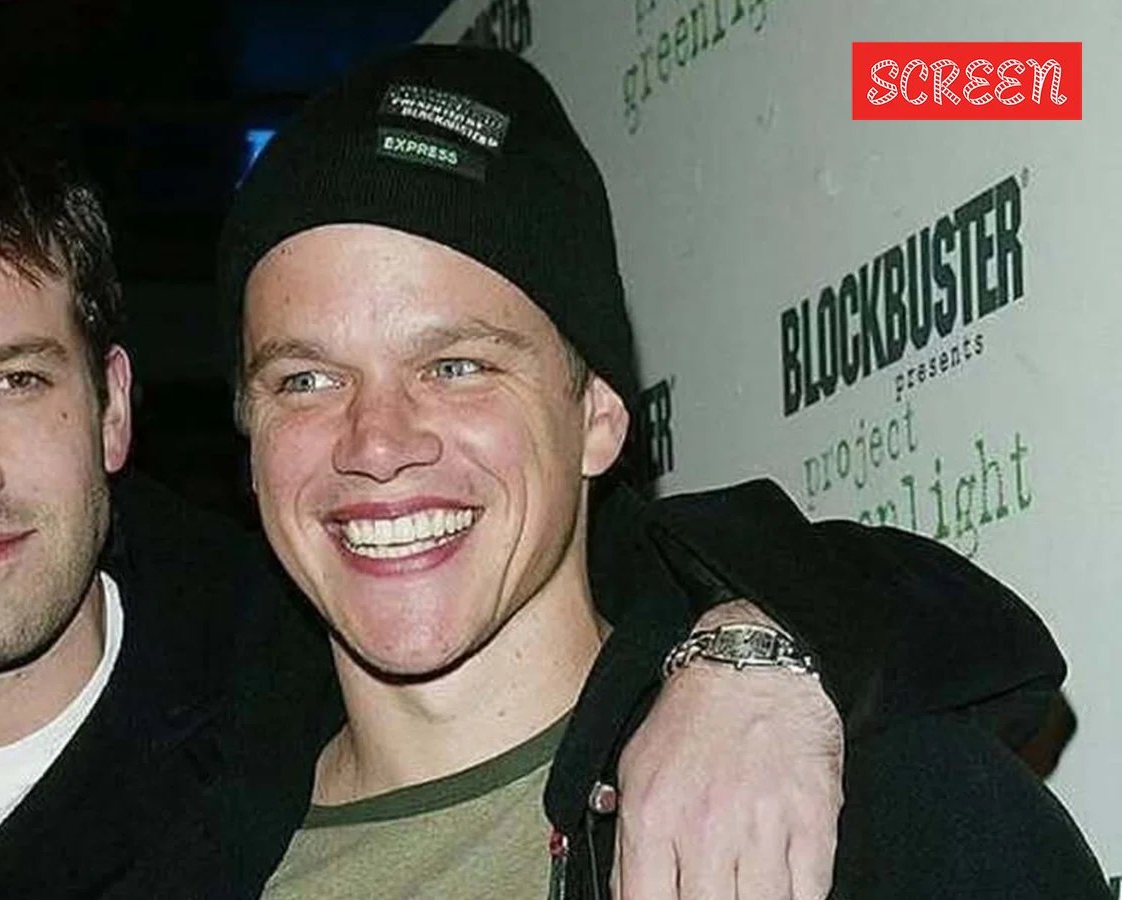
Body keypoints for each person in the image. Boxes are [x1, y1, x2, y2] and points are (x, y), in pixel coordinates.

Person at [0, 94, 1082, 900]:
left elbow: (874, 605)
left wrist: (756, 651)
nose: (376, 444)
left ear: (116, 406)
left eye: (15, 380)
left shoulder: (815, 800)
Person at [214, 43, 1108, 899]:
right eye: (305, 380)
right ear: (250, 444)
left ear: (598, 417)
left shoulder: (866, 818)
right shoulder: (184, 851)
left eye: (456, 366)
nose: (375, 442)